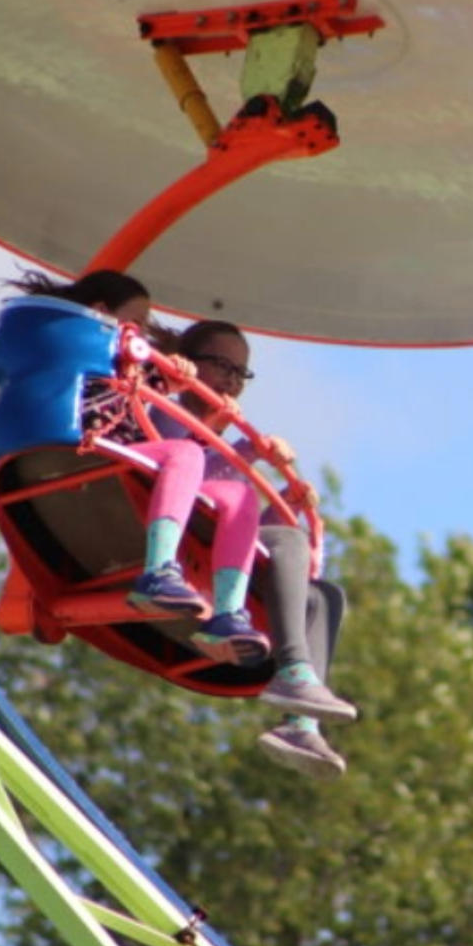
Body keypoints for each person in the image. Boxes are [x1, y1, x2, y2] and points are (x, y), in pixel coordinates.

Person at [0, 270, 269, 666]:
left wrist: (246, 451)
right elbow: (121, 405)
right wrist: (166, 379)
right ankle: (159, 570)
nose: (142, 336)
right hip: (88, 446)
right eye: (137, 324)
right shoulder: (99, 358)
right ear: (103, 314)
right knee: (186, 455)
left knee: (240, 493)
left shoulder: (131, 369)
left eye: (239, 374)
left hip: (123, 454)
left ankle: (229, 613)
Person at [157, 319, 358, 779]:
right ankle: (294, 670)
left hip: (211, 541)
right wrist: (246, 451)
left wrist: (281, 504)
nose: (230, 380)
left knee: (324, 595)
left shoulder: (217, 438)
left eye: (240, 372)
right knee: (287, 539)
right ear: (191, 363)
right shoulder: (170, 411)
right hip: (175, 531)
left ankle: (300, 723)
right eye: (220, 366)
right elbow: (184, 473)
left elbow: (235, 516)